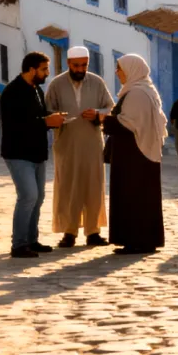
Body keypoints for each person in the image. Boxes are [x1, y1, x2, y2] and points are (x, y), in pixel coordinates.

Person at [45, 46, 115, 248]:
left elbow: (110, 108)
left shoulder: (97, 82)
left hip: (92, 143)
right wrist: (57, 118)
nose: (80, 69)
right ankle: (69, 232)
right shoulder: (56, 85)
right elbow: (48, 110)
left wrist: (98, 114)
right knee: (68, 187)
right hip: (66, 144)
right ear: (68, 64)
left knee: (93, 186)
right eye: (76, 65)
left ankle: (93, 231)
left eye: (84, 65)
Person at [1, 52, 67, 259]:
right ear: (32, 70)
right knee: (28, 196)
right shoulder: (12, 92)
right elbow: (15, 124)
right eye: (44, 69)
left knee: (38, 198)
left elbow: (36, 116)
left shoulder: (36, 89)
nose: (47, 73)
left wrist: (53, 118)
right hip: (18, 153)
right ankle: (18, 244)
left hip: (36, 152)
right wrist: (46, 122)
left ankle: (31, 240)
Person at [102, 54, 166, 255]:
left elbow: (127, 124)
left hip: (135, 156)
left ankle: (136, 241)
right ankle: (139, 240)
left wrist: (103, 119)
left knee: (133, 198)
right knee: (139, 198)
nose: (117, 72)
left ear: (131, 70)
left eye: (119, 69)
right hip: (136, 154)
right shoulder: (142, 90)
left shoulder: (137, 94)